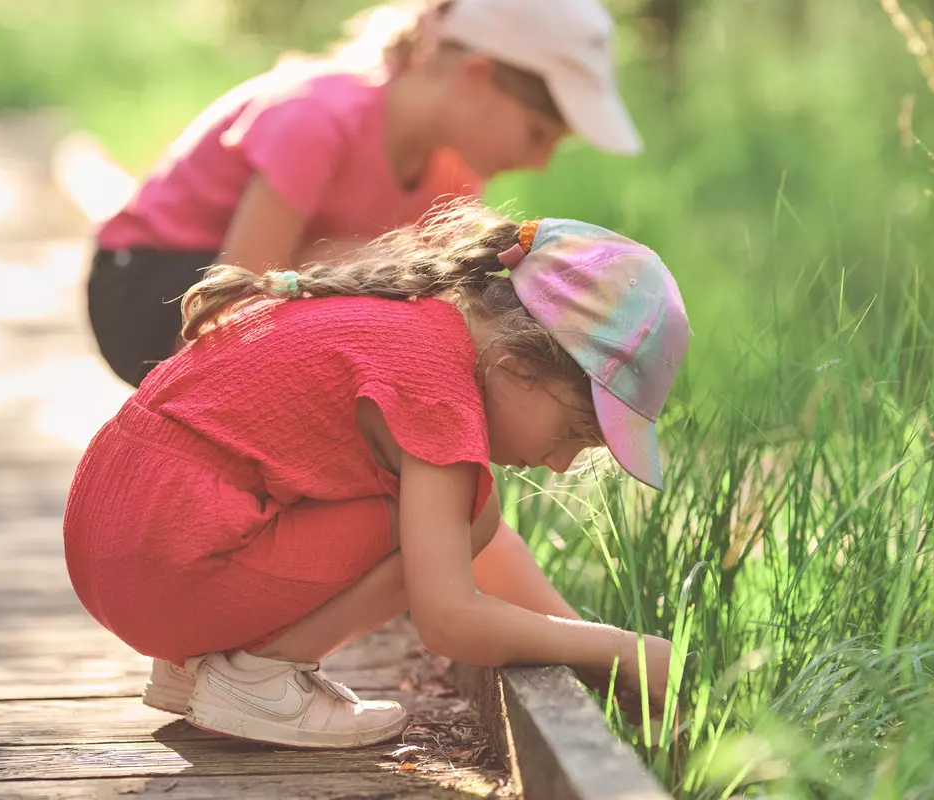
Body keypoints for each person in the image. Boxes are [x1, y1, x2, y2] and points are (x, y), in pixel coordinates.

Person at [64, 202, 690, 749]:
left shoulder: (412, 323)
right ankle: (260, 678)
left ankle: (202, 663)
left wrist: (598, 660)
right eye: (578, 432)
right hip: (164, 567)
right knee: (469, 511)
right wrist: (625, 651)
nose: (563, 463)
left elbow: (485, 550)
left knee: (468, 516)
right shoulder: (437, 388)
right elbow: (449, 617)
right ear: (520, 362)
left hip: (120, 554)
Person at [87, 0, 643, 387]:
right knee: (383, 267)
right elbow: (229, 295)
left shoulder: (453, 170)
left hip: (254, 288)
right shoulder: (319, 117)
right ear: (477, 76)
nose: (541, 161)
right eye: (537, 133)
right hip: (151, 286)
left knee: (428, 286)